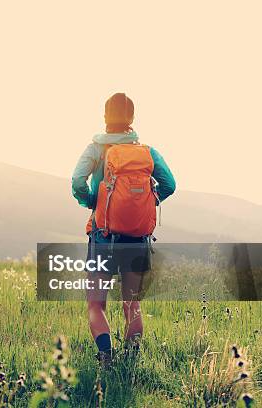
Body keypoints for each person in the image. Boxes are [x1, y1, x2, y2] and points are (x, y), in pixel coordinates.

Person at [71, 93, 176, 366]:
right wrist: (144, 202)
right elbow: (169, 184)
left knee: (96, 304)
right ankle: (131, 362)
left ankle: (106, 358)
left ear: (106, 117)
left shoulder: (96, 149)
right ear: (132, 119)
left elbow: (77, 180)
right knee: (132, 303)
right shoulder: (147, 152)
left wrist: (93, 202)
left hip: (103, 235)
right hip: (138, 239)